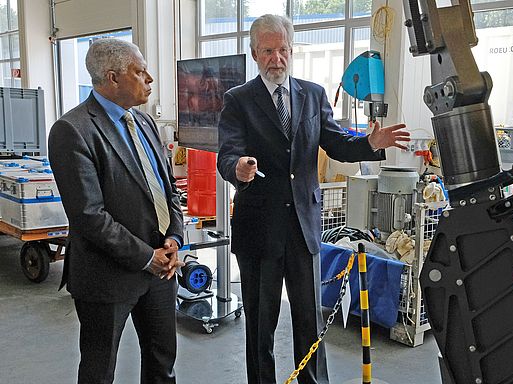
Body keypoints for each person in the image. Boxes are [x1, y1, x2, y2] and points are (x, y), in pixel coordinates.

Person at [217, 14, 410, 384]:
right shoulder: (238, 100)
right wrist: (237, 168)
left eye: (283, 50)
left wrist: (370, 144)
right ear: (255, 54)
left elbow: (336, 142)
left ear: (292, 51)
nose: (276, 59)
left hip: (303, 229)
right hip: (259, 231)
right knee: (260, 326)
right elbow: (228, 152)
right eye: (268, 51)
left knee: (310, 321)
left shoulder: (313, 94)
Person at [48, 38, 185, 384]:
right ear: (112, 78)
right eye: (140, 72)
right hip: (106, 275)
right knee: (99, 371)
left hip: (161, 270)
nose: (149, 79)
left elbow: (168, 188)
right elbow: (89, 215)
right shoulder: (73, 131)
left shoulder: (145, 123)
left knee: (162, 364)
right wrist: (146, 257)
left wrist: (174, 237)